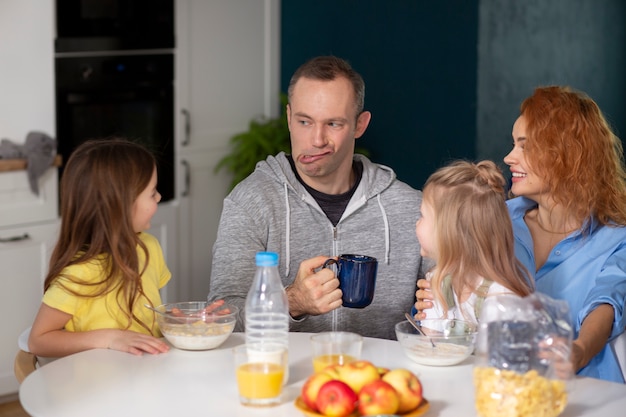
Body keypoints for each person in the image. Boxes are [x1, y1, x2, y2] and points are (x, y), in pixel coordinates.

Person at [208, 55, 430, 339]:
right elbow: (221, 316)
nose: (316, 140)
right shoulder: (252, 202)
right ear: (289, 117)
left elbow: (450, 308)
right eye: (304, 121)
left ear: (360, 125)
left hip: (377, 378)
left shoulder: (411, 207)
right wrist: (292, 301)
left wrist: (443, 304)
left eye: (334, 124)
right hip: (284, 376)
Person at [415, 86, 626, 383]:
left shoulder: (616, 240)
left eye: (524, 146)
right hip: (489, 385)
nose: (509, 157)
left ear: (565, 153)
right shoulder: (499, 217)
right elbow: (456, 276)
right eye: (514, 144)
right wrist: (438, 294)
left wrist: (577, 351)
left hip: (583, 387)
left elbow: (606, 306)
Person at [28, 139, 171, 357]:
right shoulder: (81, 272)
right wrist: (109, 338)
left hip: (145, 377)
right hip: (97, 385)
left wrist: (177, 320)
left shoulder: (149, 247)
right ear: (120, 205)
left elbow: (145, 312)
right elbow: (39, 341)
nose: (159, 197)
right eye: (152, 193)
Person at [413, 160, 533, 324]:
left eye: (423, 216)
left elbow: (504, 349)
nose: (417, 223)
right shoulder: (437, 281)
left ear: (449, 233)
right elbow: (431, 339)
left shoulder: (501, 300)